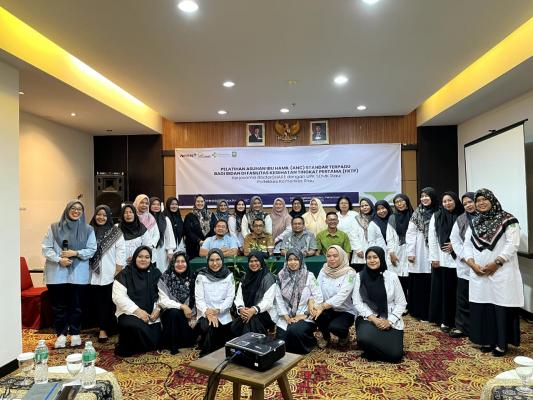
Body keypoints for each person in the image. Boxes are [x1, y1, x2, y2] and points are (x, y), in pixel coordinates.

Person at [463, 189, 523, 357]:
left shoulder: (508, 219)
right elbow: (466, 245)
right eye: (478, 200)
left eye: (484, 199)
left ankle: (501, 344)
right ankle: (487, 340)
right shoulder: (474, 222)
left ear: (492, 200)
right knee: (483, 306)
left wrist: (497, 263)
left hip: (502, 271)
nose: (481, 203)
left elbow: (512, 244)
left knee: (500, 306)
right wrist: (472, 264)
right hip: (479, 273)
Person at [42, 200, 97, 348]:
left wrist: (76, 253)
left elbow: (92, 249)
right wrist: (59, 259)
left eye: (79, 209)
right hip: (57, 274)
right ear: (67, 210)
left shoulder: (88, 229)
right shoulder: (54, 227)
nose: (76, 211)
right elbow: (46, 248)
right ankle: (61, 334)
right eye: (73, 208)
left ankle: (75, 333)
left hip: (78, 274)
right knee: (58, 306)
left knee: (76, 306)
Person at [353, 247, 406, 363]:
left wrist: (389, 321)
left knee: (395, 355)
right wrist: (374, 319)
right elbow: (357, 302)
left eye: (375, 257)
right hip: (368, 318)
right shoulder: (359, 276)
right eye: (369, 258)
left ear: (381, 258)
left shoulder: (392, 276)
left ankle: (373, 352)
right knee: (364, 339)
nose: (372, 260)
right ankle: (372, 347)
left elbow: (401, 303)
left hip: (389, 317)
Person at [112, 246, 162, 357]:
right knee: (131, 326)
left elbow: (162, 294)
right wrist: (138, 311)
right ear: (135, 258)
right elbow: (118, 297)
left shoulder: (155, 273)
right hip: (130, 313)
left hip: (151, 315)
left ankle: (142, 345)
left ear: (151, 259)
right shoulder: (124, 274)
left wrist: (157, 309)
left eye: (147, 257)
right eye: (140, 256)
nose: (143, 259)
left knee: (156, 338)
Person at [89, 205, 126, 342]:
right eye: (99, 214)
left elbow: (121, 251)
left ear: (109, 217)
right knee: (96, 302)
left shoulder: (115, 232)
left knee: (108, 302)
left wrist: (118, 270)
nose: (101, 217)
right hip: (91, 273)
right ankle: (100, 328)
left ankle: (106, 328)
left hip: (110, 272)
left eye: (105, 215)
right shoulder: (89, 230)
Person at [428, 192, 464, 332]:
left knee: (458, 292)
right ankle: (445, 320)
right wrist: (434, 258)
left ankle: (459, 321)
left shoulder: (463, 215)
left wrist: (455, 246)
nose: (447, 203)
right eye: (444, 201)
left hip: (461, 260)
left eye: (450, 200)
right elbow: (432, 237)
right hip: (442, 260)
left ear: (455, 201)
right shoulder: (437, 216)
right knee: (444, 292)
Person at [276, 249, 323, 354]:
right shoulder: (281, 275)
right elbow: (278, 298)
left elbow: (319, 297)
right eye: (290, 259)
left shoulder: (309, 276)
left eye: (296, 259)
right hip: (286, 315)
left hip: (305, 315)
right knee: (281, 341)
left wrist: (305, 314)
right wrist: (286, 316)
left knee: (294, 331)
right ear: (286, 261)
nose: (293, 262)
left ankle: (310, 342)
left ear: (301, 260)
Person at [405, 187, 438, 321]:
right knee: (419, 283)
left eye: (427, 196)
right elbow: (410, 233)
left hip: (435, 249)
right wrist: (411, 252)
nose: (424, 198)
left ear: (433, 197)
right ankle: (418, 312)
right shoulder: (417, 213)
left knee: (433, 282)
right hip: (419, 251)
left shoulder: (439, 211)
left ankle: (432, 313)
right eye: (422, 196)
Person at [195, 249, 235, 356]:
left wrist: (218, 310)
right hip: (205, 313)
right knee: (210, 326)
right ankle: (206, 356)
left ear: (222, 260)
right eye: (211, 260)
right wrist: (208, 312)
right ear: (207, 261)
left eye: (218, 259)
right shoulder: (201, 276)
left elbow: (230, 298)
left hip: (223, 313)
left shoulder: (229, 275)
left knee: (225, 337)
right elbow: (199, 299)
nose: (215, 263)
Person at [315, 245, 357, 348]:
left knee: (336, 327)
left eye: (335, 256)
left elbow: (342, 296)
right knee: (316, 315)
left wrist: (322, 306)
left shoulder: (350, 273)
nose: (331, 259)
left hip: (345, 310)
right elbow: (316, 288)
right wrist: (316, 305)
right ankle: (326, 337)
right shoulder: (324, 270)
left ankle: (344, 336)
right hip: (328, 309)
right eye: (329, 256)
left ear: (341, 256)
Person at [158, 252, 198, 354]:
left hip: (189, 318)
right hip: (170, 317)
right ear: (173, 263)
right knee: (173, 312)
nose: (180, 264)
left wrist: (194, 317)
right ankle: (173, 346)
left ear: (187, 263)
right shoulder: (165, 277)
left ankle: (184, 340)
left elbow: (197, 299)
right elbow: (163, 301)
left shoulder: (193, 277)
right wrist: (182, 306)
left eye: (183, 261)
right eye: (177, 261)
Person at [449, 192, 476, 338]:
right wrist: (465, 257)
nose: (468, 205)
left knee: (478, 299)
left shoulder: (486, 218)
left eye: (470, 202)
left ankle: (478, 329)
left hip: (482, 264)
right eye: (465, 204)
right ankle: (461, 327)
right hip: (465, 264)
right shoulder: (461, 219)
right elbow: (454, 240)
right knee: (463, 298)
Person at [232, 252, 278, 336]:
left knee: (250, 323)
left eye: (256, 261)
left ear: (261, 262)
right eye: (251, 261)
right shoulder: (245, 277)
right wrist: (241, 309)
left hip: (265, 313)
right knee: (235, 327)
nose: (254, 264)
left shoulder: (268, 278)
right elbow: (239, 297)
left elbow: (268, 302)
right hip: (246, 312)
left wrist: (253, 310)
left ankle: (250, 344)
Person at [391, 194, 414, 309]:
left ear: (407, 202)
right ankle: (402, 304)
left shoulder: (414, 215)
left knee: (412, 277)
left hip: (412, 249)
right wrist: (391, 253)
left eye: (402, 201)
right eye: (397, 202)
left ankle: (412, 304)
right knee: (400, 278)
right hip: (398, 249)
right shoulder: (392, 217)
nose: (399, 204)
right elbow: (390, 236)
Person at [367, 200, 399, 268]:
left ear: (387, 208)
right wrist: (375, 257)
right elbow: (371, 243)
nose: (381, 211)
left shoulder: (394, 220)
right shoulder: (373, 224)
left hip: (396, 253)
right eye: (378, 209)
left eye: (383, 208)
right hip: (380, 256)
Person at [149, 197, 177, 273]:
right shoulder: (146, 219)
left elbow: (169, 236)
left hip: (162, 249)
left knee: (162, 271)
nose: (156, 206)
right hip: (149, 249)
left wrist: (170, 251)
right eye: (153, 204)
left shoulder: (165, 219)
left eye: (158, 204)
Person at [183, 194, 213, 259]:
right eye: (198, 201)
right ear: (195, 203)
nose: (200, 203)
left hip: (209, 246)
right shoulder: (189, 216)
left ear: (204, 202)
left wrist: (208, 241)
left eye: (202, 201)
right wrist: (199, 241)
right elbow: (188, 232)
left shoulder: (211, 215)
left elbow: (214, 229)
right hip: (193, 247)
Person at [351, 197, 375, 271]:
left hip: (374, 250)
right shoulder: (356, 219)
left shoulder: (376, 218)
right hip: (360, 251)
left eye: (366, 205)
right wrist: (358, 249)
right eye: (362, 206)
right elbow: (353, 235)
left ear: (371, 206)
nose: (364, 207)